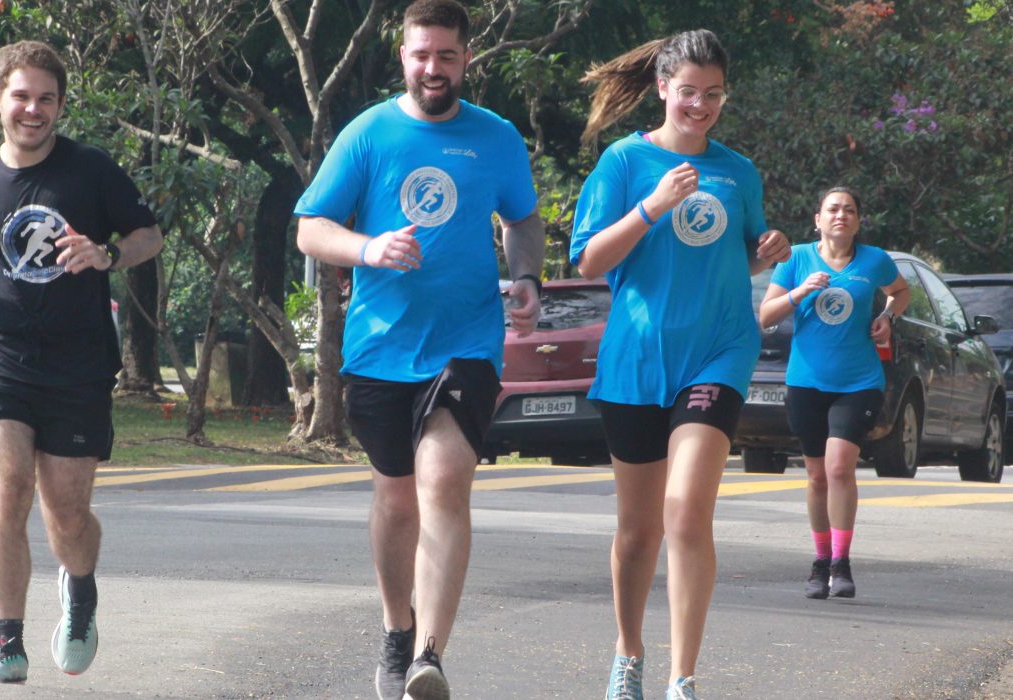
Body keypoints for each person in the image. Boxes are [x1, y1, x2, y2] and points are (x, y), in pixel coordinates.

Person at [294, 2, 544, 698]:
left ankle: (430, 655)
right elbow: (311, 228)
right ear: (403, 56)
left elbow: (522, 217)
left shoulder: (495, 137)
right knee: (398, 501)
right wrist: (368, 248)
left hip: (466, 343)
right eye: (422, 55)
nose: (434, 68)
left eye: (447, 56)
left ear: (467, 58)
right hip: (380, 347)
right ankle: (396, 627)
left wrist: (526, 278)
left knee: (443, 482)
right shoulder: (369, 133)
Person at [0, 40, 164, 684]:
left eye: (46, 99)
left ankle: (79, 589)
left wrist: (106, 255)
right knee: (7, 491)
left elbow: (147, 235)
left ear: (60, 106)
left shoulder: (91, 170)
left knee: (67, 513)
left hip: (77, 362)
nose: (33, 109)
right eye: (22, 96)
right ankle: (7, 644)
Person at [570, 29, 791, 700]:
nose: (700, 105)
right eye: (689, 91)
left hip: (718, 349)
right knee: (639, 532)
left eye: (713, 94)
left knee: (687, 510)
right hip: (638, 357)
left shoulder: (738, 171)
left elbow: (740, 256)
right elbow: (589, 260)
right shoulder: (624, 161)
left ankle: (682, 679)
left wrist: (768, 250)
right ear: (663, 88)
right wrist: (651, 207)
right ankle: (628, 654)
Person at [758, 187, 909, 600]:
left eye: (850, 210)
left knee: (840, 468)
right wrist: (800, 291)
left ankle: (841, 563)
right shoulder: (796, 259)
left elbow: (901, 292)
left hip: (859, 382)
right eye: (833, 209)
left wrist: (887, 316)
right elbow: (766, 315)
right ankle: (820, 560)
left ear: (858, 221)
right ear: (818, 219)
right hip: (806, 381)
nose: (841, 215)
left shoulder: (874, 260)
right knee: (816, 475)